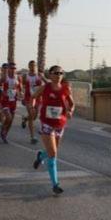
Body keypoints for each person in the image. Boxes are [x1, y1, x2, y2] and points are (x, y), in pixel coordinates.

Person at [31, 65, 75, 195]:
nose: (58, 75)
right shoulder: (45, 87)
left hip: (60, 123)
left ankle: (40, 155)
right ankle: (55, 184)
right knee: (53, 153)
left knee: (52, 151)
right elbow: (32, 97)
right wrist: (33, 108)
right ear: (50, 75)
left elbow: (72, 104)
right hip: (47, 123)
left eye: (61, 73)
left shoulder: (66, 89)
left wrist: (71, 111)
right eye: (56, 73)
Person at [21, 60, 44, 144]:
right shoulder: (25, 76)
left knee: (34, 116)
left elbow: (46, 84)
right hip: (28, 98)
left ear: (36, 66)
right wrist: (23, 96)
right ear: (28, 66)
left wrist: (43, 78)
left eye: (34, 65)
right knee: (31, 115)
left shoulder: (40, 75)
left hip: (38, 98)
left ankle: (24, 119)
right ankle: (32, 137)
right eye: (31, 65)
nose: (32, 67)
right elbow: (23, 86)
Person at [0, 62, 22, 143]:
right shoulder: (5, 78)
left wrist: (20, 94)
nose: (13, 70)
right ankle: (3, 128)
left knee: (11, 121)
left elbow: (19, 88)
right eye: (11, 68)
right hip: (5, 101)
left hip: (13, 101)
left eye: (14, 68)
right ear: (8, 69)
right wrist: (1, 91)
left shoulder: (18, 78)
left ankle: (5, 135)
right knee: (8, 118)